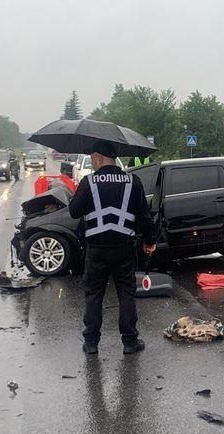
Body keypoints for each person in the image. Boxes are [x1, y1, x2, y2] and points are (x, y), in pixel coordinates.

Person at [68, 141, 155, 356]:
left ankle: (91, 343)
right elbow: (144, 217)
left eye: (93, 159)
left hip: (96, 250)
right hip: (124, 248)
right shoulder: (133, 181)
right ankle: (129, 342)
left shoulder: (89, 182)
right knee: (126, 295)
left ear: (98, 158)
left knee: (94, 295)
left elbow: (74, 211)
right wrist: (149, 241)